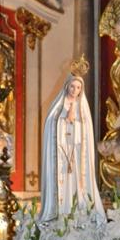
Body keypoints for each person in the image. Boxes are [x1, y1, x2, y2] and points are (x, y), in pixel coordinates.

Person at [39, 72, 106, 223]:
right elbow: (51, 123)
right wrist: (65, 118)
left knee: (76, 180)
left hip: (76, 151)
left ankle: (78, 212)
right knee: (63, 179)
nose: (75, 90)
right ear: (67, 86)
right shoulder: (58, 105)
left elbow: (86, 131)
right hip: (61, 151)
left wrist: (75, 122)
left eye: (78, 87)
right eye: (72, 86)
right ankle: (61, 213)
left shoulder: (82, 107)